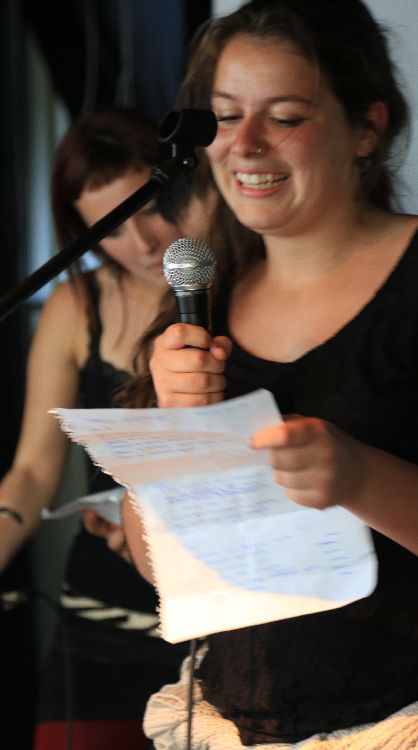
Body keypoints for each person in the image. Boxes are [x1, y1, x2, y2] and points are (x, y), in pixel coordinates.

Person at [122, 1, 418, 748]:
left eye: (286, 116)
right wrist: (169, 432)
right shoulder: (204, 295)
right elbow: (161, 566)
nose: (245, 145)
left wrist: (361, 478)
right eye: (225, 117)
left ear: (366, 129)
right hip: (234, 720)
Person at [0, 106, 214, 750]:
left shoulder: (236, 286)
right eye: (112, 228)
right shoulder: (78, 305)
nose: (144, 242)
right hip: (103, 612)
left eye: (152, 209)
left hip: (220, 613)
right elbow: (32, 470)